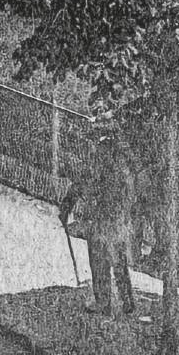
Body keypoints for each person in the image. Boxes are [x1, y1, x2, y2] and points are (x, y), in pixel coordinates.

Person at [63, 131, 138, 320]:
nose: (99, 151)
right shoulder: (123, 170)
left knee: (100, 262)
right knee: (118, 261)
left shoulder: (103, 169)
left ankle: (104, 304)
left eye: (102, 148)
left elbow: (80, 185)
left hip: (104, 221)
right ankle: (127, 302)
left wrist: (66, 207)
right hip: (117, 222)